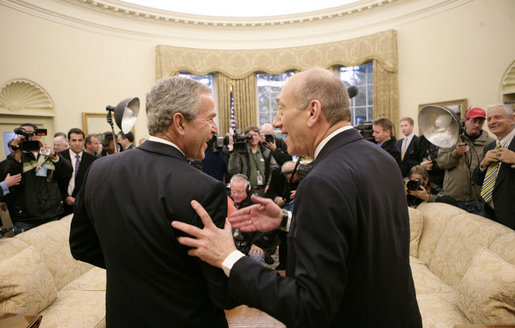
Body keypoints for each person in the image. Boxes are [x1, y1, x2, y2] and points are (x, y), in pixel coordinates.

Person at [172, 68, 422, 327]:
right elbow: (360, 232)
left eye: (281, 109)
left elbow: (308, 307)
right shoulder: (382, 159)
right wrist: (286, 219)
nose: (277, 122)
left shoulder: (321, 181)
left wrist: (229, 257)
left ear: (313, 112)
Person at [69, 77, 237, 327]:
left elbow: (81, 246)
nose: (215, 128)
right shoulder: (205, 190)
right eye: (210, 118)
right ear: (179, 122)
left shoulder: (99, 170)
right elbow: (223, 293)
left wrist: (136, 270)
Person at [3, 123, 72, 232]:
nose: (28, 137)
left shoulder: (49, 155)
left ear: (39, 135)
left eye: (31, 134)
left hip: (52, 215)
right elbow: (10, 179)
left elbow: (67, 172)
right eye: (23, 135)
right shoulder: (14, 158)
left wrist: (54, 156)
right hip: (25, 219)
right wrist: (17, 153)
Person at [437, 107, 493, 214]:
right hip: (454, 198)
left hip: (478, 200)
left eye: (480, 122)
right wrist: (456, 154)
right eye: (474, 121)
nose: (477, 125)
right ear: (465, 121)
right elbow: (441, 163)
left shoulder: (490, 143)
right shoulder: (451, 139)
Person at [474, 104, 515, 229]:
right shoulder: (489, 147)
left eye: (498, 117)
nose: (492, 122)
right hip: (490, 215)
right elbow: (477, 179)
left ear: (512, 119)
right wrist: (483, 165)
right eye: (490, 119)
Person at [229, 174, 276, 264]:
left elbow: (270, 226)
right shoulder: (227, 200)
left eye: (240, 192)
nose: (236, 195)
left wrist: (259, 243)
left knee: (256, 258)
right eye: (233, 191)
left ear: (248, 189)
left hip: (252, 243)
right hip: (232, 243)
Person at [228, 125, 278, 195]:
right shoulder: (241, 152)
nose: (253, 137)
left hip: (263, 190)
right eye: (250, 135)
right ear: (246, 137)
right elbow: (233, 171)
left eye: (255, 135)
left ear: (259, 136)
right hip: (246, 191)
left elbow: (274, 169)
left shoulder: (266, 152)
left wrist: (269, 184)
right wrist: (234, 152)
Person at [59, 128, 97, 216]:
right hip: (62, 207)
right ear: (68, 141)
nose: (77, 143)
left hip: (83, 206)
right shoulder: (60, 157)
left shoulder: (92, 160)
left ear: (84, 141)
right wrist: (65, 197)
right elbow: (56, 181)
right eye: (74, 140)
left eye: (80, 140)